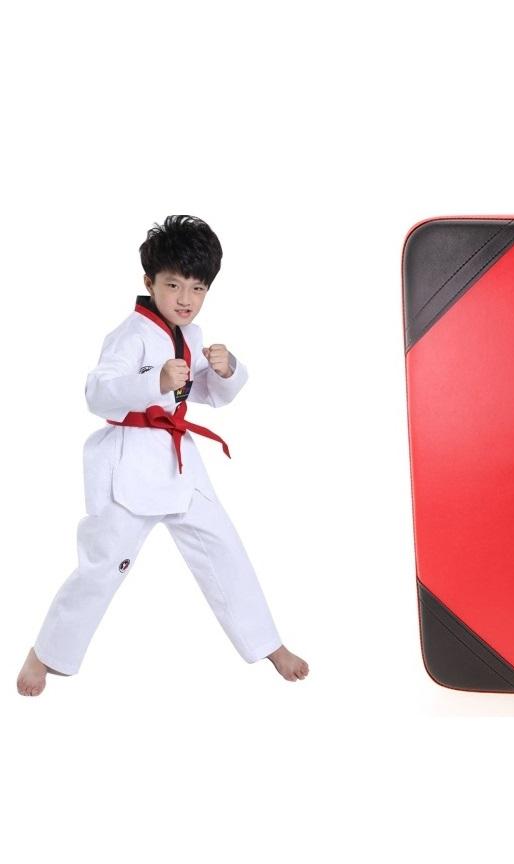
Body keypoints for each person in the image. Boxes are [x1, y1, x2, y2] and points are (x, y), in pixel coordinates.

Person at [17, 215, 308, 696]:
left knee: (225, 548)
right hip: (128, 465)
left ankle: (268, 644)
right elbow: (97, 393)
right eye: (173, 285)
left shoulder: (191, 336)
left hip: (179, 464)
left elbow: (206, 394)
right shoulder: (129, 335)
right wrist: (154, 381)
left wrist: (227, 371)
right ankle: (46, 654)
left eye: (198, 288)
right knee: (104, 565)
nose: (185, 299)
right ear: (149, 281)